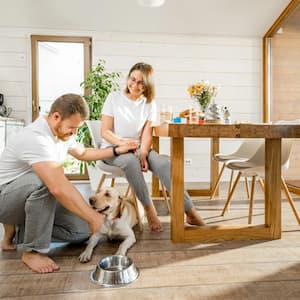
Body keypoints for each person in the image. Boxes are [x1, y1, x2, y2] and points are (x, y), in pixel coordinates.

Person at [0, 93, 137, 274]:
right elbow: (57, 187)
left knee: (82, 231)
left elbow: (83, 153)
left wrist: (116, 149)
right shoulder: (37, 137)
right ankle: (33, 251)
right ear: (56, 116)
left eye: (77, 128)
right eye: (72, 127)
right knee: (48, 182)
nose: (74, 133)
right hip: (6, 199)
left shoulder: (61, 132)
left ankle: (19, 233)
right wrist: (93, 216)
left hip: (30, 201)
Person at [101, 62, 205, 232]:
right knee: (130, 162)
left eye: (140, 82)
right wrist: (123, 144)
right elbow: (105, 132)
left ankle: (190, 211)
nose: (135, 85)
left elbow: (147, 133)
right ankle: (150, 211)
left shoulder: (149, 104)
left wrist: (143, 153)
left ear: (147, 85)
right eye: (132, 79)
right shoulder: (114, 98)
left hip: (137, 148)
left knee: (165, 164)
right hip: (113, 149)